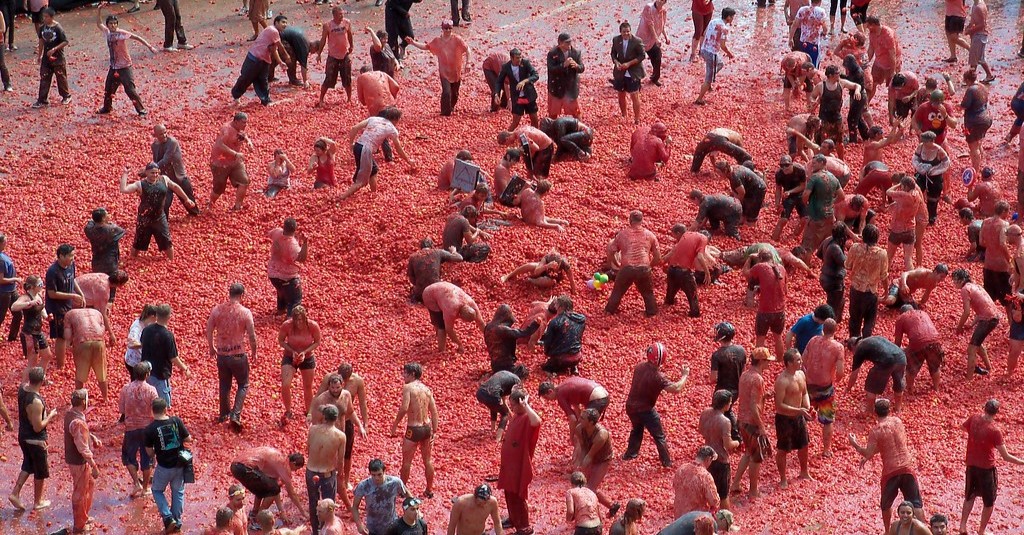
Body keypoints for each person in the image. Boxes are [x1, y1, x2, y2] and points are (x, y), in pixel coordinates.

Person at [849, 398, 924, 532]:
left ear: (874, 412)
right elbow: (889, 444)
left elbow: (868, 452)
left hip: (891, 471)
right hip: (907, 466)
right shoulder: (898, 421)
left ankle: (887, 531)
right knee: (916, 503)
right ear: (889, 410)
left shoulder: (876, 431)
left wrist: (854, 443)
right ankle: (923, 531)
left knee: (886, 504)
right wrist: (869, 456)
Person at [959, 399, 1024, 535]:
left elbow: (963, 427)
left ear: (984, 408)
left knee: (969, 496)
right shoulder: (995, 431)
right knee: (988, 502)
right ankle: (981, 531)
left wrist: (975, 439)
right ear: (997, 413)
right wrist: (1022, 462)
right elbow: (1005, 456)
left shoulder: (974, 418)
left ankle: (962, 526)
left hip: (971, 465)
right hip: (986, 469)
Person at [623, 343, 689, 467]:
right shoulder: (658, 377)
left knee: (636, 429)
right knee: (659, 436)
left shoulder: (639, 366)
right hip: (645, 410)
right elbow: (676, 388)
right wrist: (684, 375)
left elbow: (643, 384)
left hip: (630, 407)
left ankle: (630, 454)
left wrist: (657, 390)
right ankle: (666, 462)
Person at [120, 163, 196, 260]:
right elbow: (124, 189)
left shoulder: (164, 179)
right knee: (138, 242)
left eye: (156, 172)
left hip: (159, 217)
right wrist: (125, 174)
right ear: (146, 172)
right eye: (152, 173)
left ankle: (171, 261)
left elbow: (176, 187)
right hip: (144, 218)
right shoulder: (140, 184)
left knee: (167, 241)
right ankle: (132, 260)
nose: (155, 175)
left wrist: (186, 199)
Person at [206, 283, 256, 429]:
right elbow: (252, 336)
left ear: (229, 293)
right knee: (243, 384)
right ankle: (235, 414)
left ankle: (224, 414)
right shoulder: (245, 312)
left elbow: (209, 329)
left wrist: (211, 347)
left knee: (224, 384)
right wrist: (254, 352)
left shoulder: (217, 310)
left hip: (222, 354)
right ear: (242, 295)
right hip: (238, 353)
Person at [341, 107, 417, 201]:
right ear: (396, 119)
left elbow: (354, 128)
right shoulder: (391, 129)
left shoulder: (373, 119)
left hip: (358, 146)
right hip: (366, 150)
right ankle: (342, 197)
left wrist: (351, 143)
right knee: (362, 181)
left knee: (373, 170)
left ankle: (373, 194)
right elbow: (398, 148)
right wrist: (408, 160)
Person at [9, 367, 56, 511]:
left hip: (23, 436)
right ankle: (38, 502)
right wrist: (50, 416)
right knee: (40, 471)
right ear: (41, 381)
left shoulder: (23, 389)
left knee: (28, 465)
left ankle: (15, 493)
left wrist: (41, 383)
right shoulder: (36, 402)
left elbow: (30, 385)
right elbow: (38, 427)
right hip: (35, 440)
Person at [95, 7, 157, 116]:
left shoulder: (121, 33)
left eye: (115, 23)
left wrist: (149, 46)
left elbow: (137, 37)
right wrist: (99, 10)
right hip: (114, 66)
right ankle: (107, 108)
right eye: (110, 24)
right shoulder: (107, 33)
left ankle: (141, 109)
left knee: (130, 90)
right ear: (108, 25)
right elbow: (99, 23)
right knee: (108, 89)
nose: (113, 26)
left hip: (124, 67)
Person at [389, 362, 438, 497]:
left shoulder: (408, 388)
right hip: (426, 428)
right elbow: (434, 412)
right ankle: (429, 490)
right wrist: (435, 431)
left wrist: (395, 425)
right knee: (427, 460)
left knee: (406, 462)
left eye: (405, 373)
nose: (403, 376)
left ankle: (402, 491)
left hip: (414, 428)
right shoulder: (427, 389)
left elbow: (404, 408)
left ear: (412, 374)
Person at [730, 347, 773, 499]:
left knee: (748, 453)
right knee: (756, 457)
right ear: (761, 361)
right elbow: (754, 407)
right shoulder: (757, 379)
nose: (769, 363)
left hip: (741, 420)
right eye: (767, 360)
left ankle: (735, 483)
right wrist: (761, 427)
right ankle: (753, 491)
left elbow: (748, 397)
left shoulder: (745, 375)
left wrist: (764, 396)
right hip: (752, 423)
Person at [145, 397, 192, 533]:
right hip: (179, 464)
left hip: (164, 467)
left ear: (152, 411)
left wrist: (158, 449)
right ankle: (177, 521)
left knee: (157, 490)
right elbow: (188, 438)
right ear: (166, 409)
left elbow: (149, 452)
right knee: (178, 492)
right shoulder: (176, 421)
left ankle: (167, 517)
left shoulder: (150, 429)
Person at [497, 390, 541, 535]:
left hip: (519, 465)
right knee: (508, 492)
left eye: (514, 405)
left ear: (522, 404)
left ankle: (524, 527)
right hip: (510, 465)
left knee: (517, 494)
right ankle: (513, 518)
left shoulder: (528, 418)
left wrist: (526, 405)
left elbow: (537, 421)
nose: (512, 408)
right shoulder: (517, 416)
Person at [405, 21, 470, 116]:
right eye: (446, 28)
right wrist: (413, 43)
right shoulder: (437, 41)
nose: (448, 30)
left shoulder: (457, 40)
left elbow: (468, 50)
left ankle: (451, 107)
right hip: (444, 72)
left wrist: (468, 63)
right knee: (447, 92)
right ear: (442, 29)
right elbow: (426, 47)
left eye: (450, 28)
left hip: (456, 72)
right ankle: (444, 112)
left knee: (455, 93)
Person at [605, 210, 661, 316]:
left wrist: (616, 263)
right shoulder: (650, 235)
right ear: (642, 220)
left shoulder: (622, 234)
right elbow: (658, 257)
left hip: (627, 268)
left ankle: (609, 311)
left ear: (630, 220)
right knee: (648, 293)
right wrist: (649, 266)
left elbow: (611, 252)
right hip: (643, 268)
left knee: (617, 292)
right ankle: (651, 313)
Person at [229, 447, 305, 524]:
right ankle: (258, 519)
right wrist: (304, 513)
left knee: (263, 488)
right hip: (244, 468)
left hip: (235, 465)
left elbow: (274, 490)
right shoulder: (284, 466)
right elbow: (291, 494)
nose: (295, 471)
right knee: (271, 488)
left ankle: (254, 513)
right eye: (296, 468)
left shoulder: (278, 460)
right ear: (293, 463)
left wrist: (282, 512)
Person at [803, 318, 844, 455]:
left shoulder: (813, 340)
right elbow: (840, 372)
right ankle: (826, 449)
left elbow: (803, 359)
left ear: (822, 328)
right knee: (827, 420)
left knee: (804, 415)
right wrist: (835, 379)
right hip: (825, 388)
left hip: (809, 385)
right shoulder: (838, 347)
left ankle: (801, 445)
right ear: (835, 330)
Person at [774, 349, 812, 488]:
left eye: (800, 359)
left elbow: (804, 392)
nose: (801, 362)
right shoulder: (782, 381)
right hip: (785, 419)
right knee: (783, 449)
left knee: (804, 445)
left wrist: (807, 406)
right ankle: (783, 478)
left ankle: (804, 472)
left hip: (799, 417)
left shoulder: (801, 374)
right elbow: (779, 405)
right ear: (789, 363)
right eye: (798, 360)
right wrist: (799, 410)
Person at [64, 388, 100, 534]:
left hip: (77, 460)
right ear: (83, 402)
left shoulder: (71, 413)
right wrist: (94, 465)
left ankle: (83, 516)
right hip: (79, 462)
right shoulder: (77, 421)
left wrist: (92, 437)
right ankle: (79, 525)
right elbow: (82, 448)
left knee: (89, 485)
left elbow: (81, 433)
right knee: (80, 491)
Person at [119, 361, 158, 498]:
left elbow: (121, 410)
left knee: (128, 457)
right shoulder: (152, 390)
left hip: (131, 428)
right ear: (147, 374)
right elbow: (156, 410)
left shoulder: (125, 389)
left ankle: (136, 483)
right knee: (147, 459)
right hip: (147, 429)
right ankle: (145, 488)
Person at [141, 304, 191, 407]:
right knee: (162, 405)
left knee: (148, 402)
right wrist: (184, 368)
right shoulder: (167, 335)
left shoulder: (147, 330)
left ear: (156, 315)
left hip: (146, 372)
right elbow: (173, 357)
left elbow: (142, 344)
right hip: (160, 374)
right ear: (169, 317)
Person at [231, 15, 288, 106]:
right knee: (246, 78)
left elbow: (274, 50)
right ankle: (236, 96)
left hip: (263, 59)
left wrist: (280, 62)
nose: (285, 24)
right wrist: (287, 56)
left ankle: (265, 100)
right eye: (283, 22)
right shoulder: (273, 31)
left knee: (262, 80)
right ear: (276, 23)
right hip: (254, 57)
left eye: (286, 23)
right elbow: (280, 46)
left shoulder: (274, 32)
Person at [306, 405, 346, 533]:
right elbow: (340, 459)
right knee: (328, 505)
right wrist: (341, 474)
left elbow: (309, 447)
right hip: (327, 473)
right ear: (337, 418)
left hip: (311, 470)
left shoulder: (312, 429)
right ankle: (327, 530)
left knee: (314, 503)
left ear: (324, 417)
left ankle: (315, 531)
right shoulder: (340, 436)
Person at [952, 268, 999, 377]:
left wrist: (959, 327)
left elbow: (967, 312)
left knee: (971, 349)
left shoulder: (965, 289)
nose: (954, 283)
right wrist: (972, 324)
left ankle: (969, 378)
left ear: (961, 280)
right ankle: (989, 367)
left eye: (955, 280)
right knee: (977, 343)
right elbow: (984, 307)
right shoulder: (976, 286)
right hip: (993, 317)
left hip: (987, 320)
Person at [45, 244, 84, 369]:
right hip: (56, 308)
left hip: (67, 305)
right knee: (61, 336)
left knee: (69, 331)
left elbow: (73, 279)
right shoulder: (52, 272)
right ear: (61, 256)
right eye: (70, 256)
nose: (73, 258)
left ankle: (66, 358)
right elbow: (52, 294)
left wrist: (80, 293)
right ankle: (60, 366)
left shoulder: (71, 265)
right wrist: (72, 296)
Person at [277, 305, 320, 420]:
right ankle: (288, 411)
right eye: (296, 320)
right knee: (285, 384)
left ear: (305, 318)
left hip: (307, 357)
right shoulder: (287, 325)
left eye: (301, 319)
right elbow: (281, 340)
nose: (298, 322)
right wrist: (292, 351)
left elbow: (317, 342)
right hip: (290, 356)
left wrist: (305, 352)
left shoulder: (313, 326)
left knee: (307, 386)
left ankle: (309, 412)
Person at [64, 304, 114, 400]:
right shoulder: (97, 312)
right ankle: (105, 398)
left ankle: (79, 399)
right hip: (98, 341)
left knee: (80, 373)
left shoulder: (70, 314)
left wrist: (68, 345)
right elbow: (102, 330)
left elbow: (68, 334)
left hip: (82, 342)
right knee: (101, 373)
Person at [744, 250, 788, 359]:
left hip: (765, 311)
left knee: (760, 338)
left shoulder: (760, 266)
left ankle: (759, 363)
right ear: (772, 258)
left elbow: (745, 273)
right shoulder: (781, 268)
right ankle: (779, 360)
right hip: (780, 311)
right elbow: (785, 290)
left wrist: (749, 258)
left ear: (760, 259)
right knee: (778, 337)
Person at [846, 336, 907, 413]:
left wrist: (848, 388)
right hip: (901, 357)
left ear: (852, 347)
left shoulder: (859, 349)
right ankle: (898, 409)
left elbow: (854, 374)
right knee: (898, 383)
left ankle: (869, 411)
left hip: (886, 361)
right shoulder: (872, 338)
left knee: (871, 386)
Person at [539, 376, 609, 441]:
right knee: (584, 424)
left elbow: (572, 419)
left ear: (550, 391)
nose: (547, 400)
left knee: (587, 428)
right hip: (604, 395)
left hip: (598, 400)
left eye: (546, 397)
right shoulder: (565, 386)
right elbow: (577, 409)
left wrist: (571, 437)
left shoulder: (560, 396)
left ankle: (598, 444)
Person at [152, 125, 201, 217]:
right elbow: (156, 160)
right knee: (164, 202)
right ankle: (163, 222)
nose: (164, 135)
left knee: (189, 202)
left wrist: (151, 168)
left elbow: (166, 159)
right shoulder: (154, 145)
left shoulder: (172, 142)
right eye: (161, 134)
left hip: (179, 176)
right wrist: (152, 172)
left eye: (165, 132)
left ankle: (195, 214)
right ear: (155, 135)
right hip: (166, 178)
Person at [421, 281, 484, 354]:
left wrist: (489, 337)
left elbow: (481, 322)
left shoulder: (471, 303)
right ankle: (441, 351)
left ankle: (437, 334)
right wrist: (459, 344)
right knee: (442, 326)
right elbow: (449, 330)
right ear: (459, 316)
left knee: (441, 321)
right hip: (429, 295)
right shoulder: (451, 310)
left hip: (441, 287)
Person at [209, 112, 254, 212]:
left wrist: (248, 142)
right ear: (236, 121)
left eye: (246, 122)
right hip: (220, 162)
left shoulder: (240, 128)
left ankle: (237, 207)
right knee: (219, 187)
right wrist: (235, 153)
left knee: (244, 181)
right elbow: (220, 145)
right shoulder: (226, 130)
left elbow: (243, 135)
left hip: (235, 161)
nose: (245, 125)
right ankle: (210, 204)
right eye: (243, 122)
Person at [351, 459, 411, 535]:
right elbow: (355, 507)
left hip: (392, 526)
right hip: (373, 528)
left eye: (379, 474)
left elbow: (408, 495)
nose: (376, 478)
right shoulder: (364, 486)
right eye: (373, 475)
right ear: (370, 473)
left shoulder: (394, 482)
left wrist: (415, 511)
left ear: (384, 471)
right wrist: (359, 525)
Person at [662, 223, 708, 316]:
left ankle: (669, 301)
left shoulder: (684, 237)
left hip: (671, 270)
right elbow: (699, 257)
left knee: (670, 292)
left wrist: (652, 264)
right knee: (692, 294)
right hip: (684, 272)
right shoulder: (703, 238)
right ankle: (694, 313)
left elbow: (667, 256)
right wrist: (707, 272)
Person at [267, 218, 308, 316]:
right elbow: (302, 259)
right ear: (295, 229)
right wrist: (305, 244)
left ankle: (280, 311)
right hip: (287, 277)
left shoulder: (277, 232)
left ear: (284, 226)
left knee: (281, 290)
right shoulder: (293, 245)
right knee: (295, 299)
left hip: (273, 274)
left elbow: (269, 234)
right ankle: (290, 320)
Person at [483, 305, 540, 374]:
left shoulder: (488, 326)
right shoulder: (502, 329)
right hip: (505, 365)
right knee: (523, 371)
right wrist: (536, 324)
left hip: (494, 365)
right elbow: (523, 333)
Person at [32, 8, 71, 109]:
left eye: (46, 17)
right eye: (43, 17)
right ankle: (42, 100)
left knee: (61, 77)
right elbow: (41, 42)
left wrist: (55, 49)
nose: (44, 19)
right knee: (44, 77)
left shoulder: (58, 28)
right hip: (46, 58)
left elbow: (65, 41)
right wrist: (39, 55)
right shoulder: (42, 28)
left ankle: (66, 96)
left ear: (51, 17)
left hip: (58, 58)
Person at [801, 155, 841, 252]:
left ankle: (806, 266)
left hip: (816, 216)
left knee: (807, 245)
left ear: (822, 163)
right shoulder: (833, 178)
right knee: (826, 243)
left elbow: (805, 195)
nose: (812, 166)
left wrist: (806, 204)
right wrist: (831, 203)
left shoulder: (814, 178)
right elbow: (842, 196)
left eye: (814, 163)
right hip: (829, 217)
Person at [695, 8, 735, 106]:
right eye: (732, 17)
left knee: (720, 64)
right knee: (708, 80)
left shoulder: (713, 21)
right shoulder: (725, 29)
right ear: (728, 17)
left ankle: (710, 78)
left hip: (704, 49)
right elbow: (723, 45)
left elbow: (704, 34)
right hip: (711, 53)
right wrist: (729, 54)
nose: (733, 19)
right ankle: (699, 99)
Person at [884, 176, 924, 271]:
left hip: (897, 229)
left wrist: (898, 184)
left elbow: (888, 192)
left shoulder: (903, 195)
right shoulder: (917, 195)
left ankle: (883, 279)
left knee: (889, 256)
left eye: (902, 186)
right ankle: (912, 280)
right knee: (908, 259)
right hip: (910, 229)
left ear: (905, 186)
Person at [477, 368, 528, 441]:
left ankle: (492, 429)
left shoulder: (506, 375)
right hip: (492, 395)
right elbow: (515, 398)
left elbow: (503, 400)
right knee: (505, 414)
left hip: (480, 392)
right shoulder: (517, 381)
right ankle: (498, 438)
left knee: (494, 406)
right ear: (523, 378)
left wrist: (511, 413)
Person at [317, 7, 354, 107]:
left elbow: (350, 35)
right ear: (334, 15)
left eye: (342, 14)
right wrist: (319, 53)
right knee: (328, 78)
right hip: (333, 56)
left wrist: (351, 46)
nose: (342, 16)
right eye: (339, 14)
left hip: (344, 55)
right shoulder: (328, 25)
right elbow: (323, 40)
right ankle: (321, 99)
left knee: (347, 78)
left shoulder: (347, 22)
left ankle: (349, 99)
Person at [407, 239, 463, 303]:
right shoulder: (437, 252)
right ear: (432, 246)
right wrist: (453, 251)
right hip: (436, 292)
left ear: (421, 247)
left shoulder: (413, 257)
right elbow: (459, 258)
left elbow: (412, 279)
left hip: (421, 294)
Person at [496, 48, 539, 130]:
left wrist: (525, 81)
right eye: (517, 58)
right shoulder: (506, 67)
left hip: (528, 95)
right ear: (512, 58)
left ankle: (535, 136)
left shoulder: (525, 63)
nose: (520, 59)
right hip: (517, 97)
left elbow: (535, 75)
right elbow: (499, 81)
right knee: (516, 121)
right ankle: (506, 138)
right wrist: (496, 94)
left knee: (534, 119)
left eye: (520, 57)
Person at [611, 22, 645, 123]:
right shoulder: (616, 40)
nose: (626, 34)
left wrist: (629, 64)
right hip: (620, 71)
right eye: (624, 32)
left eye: (628, 32)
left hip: (633, 72)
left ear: (630, 31)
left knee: (634, 95)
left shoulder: (637, 41)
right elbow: (613, 53)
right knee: (621, 93)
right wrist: (616, 62)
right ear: (620, 32)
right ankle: (624, 115)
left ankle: (637, 118)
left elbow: (642, 56)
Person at [715, 160, 766, 225]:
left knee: (750, 218)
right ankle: (743, 216)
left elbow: (742, 193)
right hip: (750, 187)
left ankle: (750, 222)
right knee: (744, 207)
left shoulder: (734, 177)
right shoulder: (732, 169)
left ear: (725, 171)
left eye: (719, 173)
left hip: (758, 189)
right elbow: (737, 190)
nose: (718, 175)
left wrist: (736, 205)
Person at [672, 447, 719, 516]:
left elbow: (675, 486)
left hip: (678, 517)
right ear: (708, 459)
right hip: (694, 518)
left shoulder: (681, 469)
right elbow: (714, 501)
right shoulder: (705, 476)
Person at [547, 33, 584, 118]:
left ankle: (579, 129)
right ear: (560, 43)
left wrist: (576, 66)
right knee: (553, 113)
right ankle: (553, 129)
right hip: (556, 87)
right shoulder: (552, 53)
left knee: (576, 113)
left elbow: (582, 68)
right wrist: (563, 65)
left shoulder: (576, 53)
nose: (569, 44)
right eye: (567, 42)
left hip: (570, 87)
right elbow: (551, 69)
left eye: (570, 42)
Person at [865, 17, 902, 100]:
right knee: (871, 83)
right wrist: (865, 63)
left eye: (868, 26)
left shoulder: (888, 35)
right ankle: (865, 106)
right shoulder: (872, 33)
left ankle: (892, 110)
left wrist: (892, 72)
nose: (867, 28)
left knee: (892, 88)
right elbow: (871, 48)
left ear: (874, 25)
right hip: (879, 61)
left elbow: (892, 54)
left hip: (891, 63)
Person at [772, 156, 808, 241]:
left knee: (805, 218)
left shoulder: (800, 170)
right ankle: (773, 240)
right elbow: (778, 189)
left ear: (792, 163)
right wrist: (777, 203)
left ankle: (794, 236)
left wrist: (790, 191)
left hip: (800, 194)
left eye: (787, 165)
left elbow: (803, 186)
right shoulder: (779, 174)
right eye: (782, 165)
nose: (784, 168)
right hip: (788, 196)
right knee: (783, 219)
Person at [883, 264, 948, 309]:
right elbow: (905, 273)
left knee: (912, 308)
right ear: (935, 272)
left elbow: (926, 295)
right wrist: (904, 285)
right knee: (890, 301)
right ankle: (875, 300)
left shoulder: (933, 283)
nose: (942, 280)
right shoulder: (923, 272)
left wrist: (919, 302)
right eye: (941, 277)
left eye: (943, 278)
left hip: (906, 293)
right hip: (898, 285)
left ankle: (897, 302)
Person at [636, 0, 668, 86]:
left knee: (657, 56)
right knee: (636, 60)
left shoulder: (663, 11)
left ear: (665, 2)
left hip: (652, 40)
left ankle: (655, 78)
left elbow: (662, 25)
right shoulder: (648, 7)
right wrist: (657, 39)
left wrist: (666, 37)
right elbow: (650, 24)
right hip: (642, 39)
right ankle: (635, 81)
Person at [790, 0, 827, 68]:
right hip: (814, 43)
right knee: (813, 65)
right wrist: (824, 33)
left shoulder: (802, 10)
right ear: (820, 1)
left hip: (803, 41)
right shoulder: (821, 12)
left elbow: (795, 25)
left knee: (803, 63)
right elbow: (825, 28)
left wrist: (790, 38)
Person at [964, 0, 993, 82]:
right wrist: (969, 26)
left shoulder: (979, 7)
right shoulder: (976, 5)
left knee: (976, 58)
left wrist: (971, 30)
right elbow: (973, 20)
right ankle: (986, 75)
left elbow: (982, 24)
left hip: (979, 35)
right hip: (979, 35)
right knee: (978, 57)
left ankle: (971, 78)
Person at [0, 235, 21, 343]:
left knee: (18, 313)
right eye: (5, 242)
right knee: (1, 316)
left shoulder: (3, 255)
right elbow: (1, 280)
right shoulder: (1, 260)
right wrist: (15, 279)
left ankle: (12, 338)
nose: (6, 244)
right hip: (4, 292)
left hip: (11, 290)